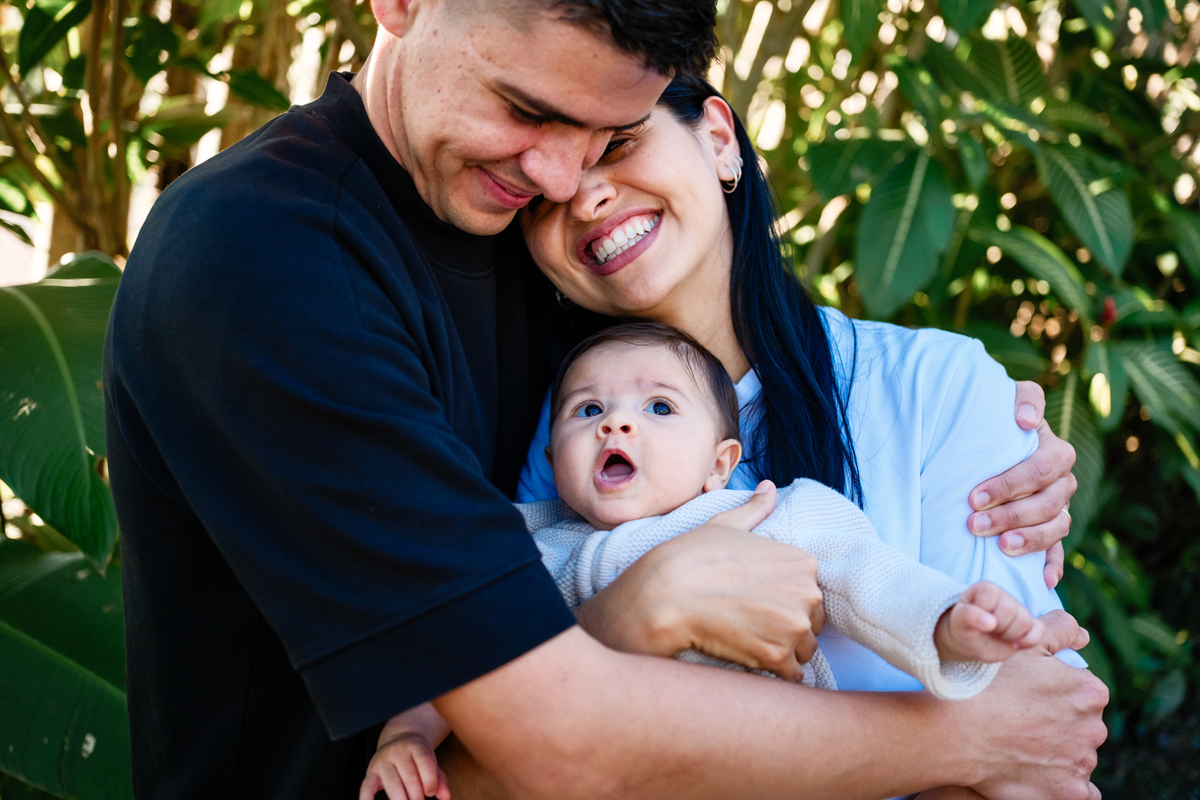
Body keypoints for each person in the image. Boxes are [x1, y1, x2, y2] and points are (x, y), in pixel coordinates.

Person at [103, 2, 1104, 799]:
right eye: (527, 108)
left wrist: (976, 416)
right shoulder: (272, 259)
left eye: (607, 134)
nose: (563, 177)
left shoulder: (528, 263)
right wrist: (978, 734)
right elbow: (560, 735)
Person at [362, 323, 1047, 800]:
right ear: (552, 460)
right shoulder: (525, 546)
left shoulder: (772, 515)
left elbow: (866, 579)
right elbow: (462, 656)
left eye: (659, 406)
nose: (616, 423)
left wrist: (947, 624)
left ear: (723, 463)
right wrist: (409, 734)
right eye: (588, 409)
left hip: (775, 768)